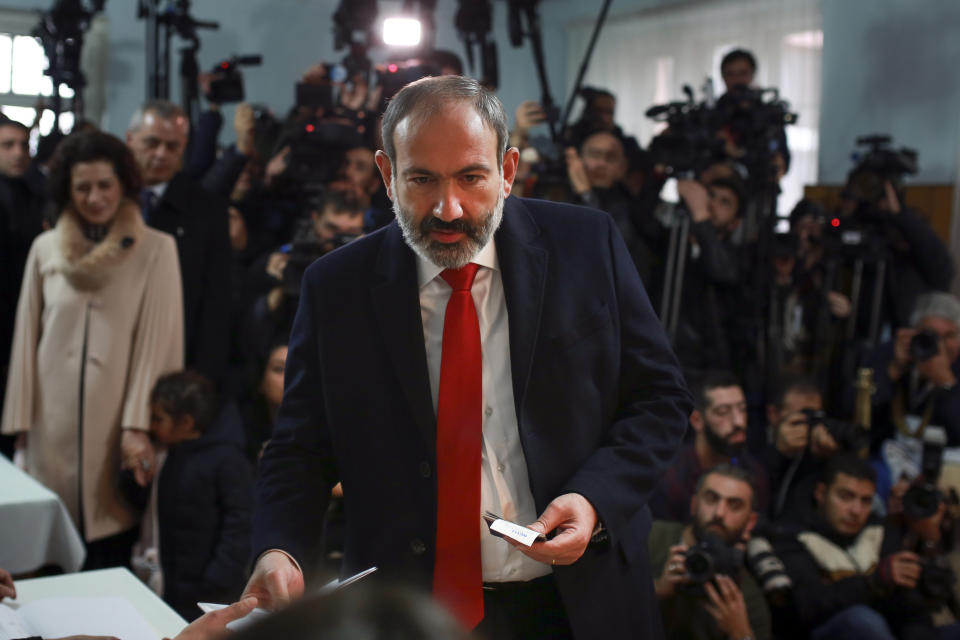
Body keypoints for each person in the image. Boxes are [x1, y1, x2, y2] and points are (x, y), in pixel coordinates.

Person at [242, 75, 692, 639]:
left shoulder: (586, 244)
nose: (448, 208)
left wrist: (594, 498)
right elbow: (300, 450)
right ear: (387, 175)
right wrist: (279, 548)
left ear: (507, 171)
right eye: (422, 179)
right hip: (412, 612)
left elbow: (661, 397)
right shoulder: (336, 288)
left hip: (584, 601)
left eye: (471, 177)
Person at [1, 131, 183, 569]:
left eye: (104, 185)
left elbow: (157, 343)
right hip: (50, 425)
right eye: (82, 187)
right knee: (43, 557)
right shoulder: (44, 249)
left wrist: (138, 422)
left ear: (123, 184)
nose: (94, 197)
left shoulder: (157, 249)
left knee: (109, 548)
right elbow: (26, 339)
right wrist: (20, 424)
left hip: (118, 427)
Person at [127, 371, 252, 621]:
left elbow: (240, 523)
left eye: (157, 419)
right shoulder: (163, 454)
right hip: (168, 584)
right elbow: (139, 502)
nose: (151, 426)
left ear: (185, 422)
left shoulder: (227, 459)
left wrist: (218, 578)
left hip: (207, 592)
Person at [773, 455, 942, 640]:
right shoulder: (790, 536)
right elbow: (806, 608)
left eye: (866, 501)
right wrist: (873, 582)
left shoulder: (879, 530)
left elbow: (912, 611)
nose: (856, 510)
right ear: (821, 493)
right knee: (863, 621)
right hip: (824, 632)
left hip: (884, 630)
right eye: (845, 497)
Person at [126, 100, 231, 387]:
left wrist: (203, 377)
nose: (161, 154)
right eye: (152, 143)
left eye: (172, 147)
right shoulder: (107, 199)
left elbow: (216, 300)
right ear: (130, 139)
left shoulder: (207, 210)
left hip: (176, 354)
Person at [649, 464, 771, 640]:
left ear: (751, 522)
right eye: (711, 499)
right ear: (693, 504)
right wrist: (656, 591)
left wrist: (740, 633)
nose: (719, 513)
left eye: (734, 505)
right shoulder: (649, 539)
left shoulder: (745, 598)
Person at [650, 372, 768, 522]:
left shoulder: (754, 474)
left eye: (742, 409)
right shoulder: (670, 478)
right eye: (723, 412)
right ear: (697, 420)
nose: (739, 422)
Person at [0, 118, 45, 458]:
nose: (18, 153)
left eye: (23, 145)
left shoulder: (37, 194)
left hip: (27, 319)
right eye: (7, 145)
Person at [866, 292, 960, 449]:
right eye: (931, 335)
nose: (940, 345)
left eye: (949, 336)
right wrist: (893, 370)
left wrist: (947, 384)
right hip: (887, 455)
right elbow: (853, 409)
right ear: (913, 332)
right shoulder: (893, 352)